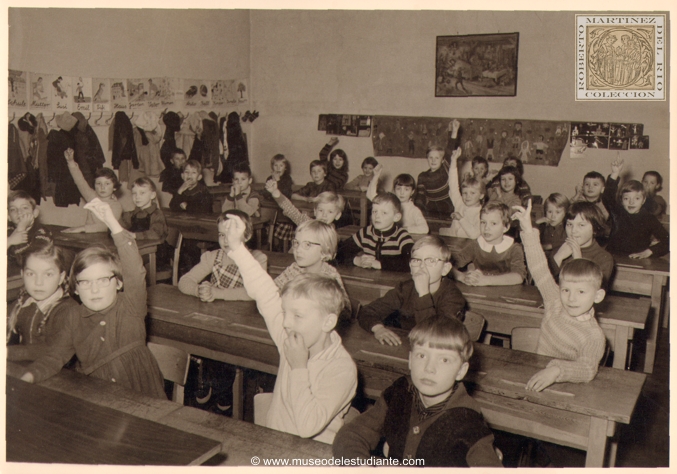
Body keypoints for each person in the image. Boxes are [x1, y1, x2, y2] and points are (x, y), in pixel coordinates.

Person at [223, 213, 358, 443]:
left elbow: (306, 428)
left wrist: (298, 367)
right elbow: (265, 292)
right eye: (285, 312)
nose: (285, 322)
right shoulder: (294, 336)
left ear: (327, 322)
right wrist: (237, 247)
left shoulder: (342, 369)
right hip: (275, 448)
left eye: (297, 315)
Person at [21, 199, 166, 399]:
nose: (94, 289)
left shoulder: (131, 306)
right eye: (85, 282)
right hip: (98, 395)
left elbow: (134, 269)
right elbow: (54, 356)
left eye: (103, 280)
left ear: (118, 283)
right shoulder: (73, 316)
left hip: (142, 396)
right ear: (76, 289)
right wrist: (28, 377)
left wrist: (112, 223)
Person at [333, 316, 502, 467]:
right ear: (410, 360)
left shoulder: (468, 421)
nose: (429, 368)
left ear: (461, 371)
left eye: (444, 360)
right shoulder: (399, 393)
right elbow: (352, 434)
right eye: (421, 356)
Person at [512, 200, 607, 392]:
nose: (571, 299)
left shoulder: (594, 336)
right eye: (566, 290)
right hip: (537, 374)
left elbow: (587, 368)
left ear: (598, 296)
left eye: (581, 292)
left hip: (568, 386)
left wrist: (556, 371)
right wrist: (528, 230)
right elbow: (539, 269)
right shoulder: (555, 302)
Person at [358, 236, 466, 346]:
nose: (421, 266)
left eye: (430, 260)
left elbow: (434, 335)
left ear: (445, 269)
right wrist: (378, 329)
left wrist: (423, 293)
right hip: (407, 345)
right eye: (416, 260)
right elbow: (367, 311)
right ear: (410, 266)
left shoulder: (453, 297)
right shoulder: (405, 288)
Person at [7, 243, 76, 361]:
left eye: (48, 274)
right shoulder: (23, 302)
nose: (38, 282)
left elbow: (52, 349)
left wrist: (8, 352)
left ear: (61, 277)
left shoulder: (67, 310)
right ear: (22, 274)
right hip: (27, 366)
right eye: (31, 274)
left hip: (61, 373)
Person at [273, 220, 351, 314]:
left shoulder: (330, 277)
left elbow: (344, 311)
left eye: (307, 245)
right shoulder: (294, 270)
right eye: (297, 243)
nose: (298, 249)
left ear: (324, 251)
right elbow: (272, 291)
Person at [602, 158, 669, 259]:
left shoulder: (649, 218)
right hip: (612, 258)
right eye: (626, 198)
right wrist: (615, 173)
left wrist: (649, 251)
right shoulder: (618, 212)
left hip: (637, 260)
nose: (631, 202)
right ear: (621, 200)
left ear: (643, 200)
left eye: (637, 198)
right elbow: (607, 197)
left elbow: (668, 241)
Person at [452, 201, 526, 286]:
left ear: (506, 227)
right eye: (483, 222)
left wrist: (486, 280)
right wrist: (462, 276)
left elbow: (519, 276)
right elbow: (449, 265)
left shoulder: (514, 248)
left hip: (506, 294)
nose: (486, 228)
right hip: (479, 292)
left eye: (493, 223)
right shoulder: (475, 245)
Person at [337, 192, 414, 272]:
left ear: (396, 217)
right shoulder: (365, 233)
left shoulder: (402, 236)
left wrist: (380, 264)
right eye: (374, 212)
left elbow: (411, 261)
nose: (377, 216)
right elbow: (340, 252)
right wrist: (356, 260)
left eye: (384, 213)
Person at [548, 201, 614, 289]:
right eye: (569, 224)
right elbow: (543, 285)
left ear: (595, 229)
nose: (573, 230)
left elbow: (593, 291)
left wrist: (578, 262)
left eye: (581, 225)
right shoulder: (558, 251)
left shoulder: (603, 258)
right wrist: (557, 258)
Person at [62, 148, 123, 233]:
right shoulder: (92, 197)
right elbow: (80, 181)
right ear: (94, 185)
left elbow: (108, 226)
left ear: (114, 187)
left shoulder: (116, 206)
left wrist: (83, 228)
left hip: (108, 239)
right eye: (99, 183)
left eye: (107, 184)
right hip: (90, 236)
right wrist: (71, 162)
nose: (102, 187)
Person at [367, 166, 428, 235]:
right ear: (394, 190)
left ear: (412, 192)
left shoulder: (414, 210)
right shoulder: (388, 203)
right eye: (398, 189)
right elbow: (371, 195)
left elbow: (425, 228)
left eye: (406, 189)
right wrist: (375, 176)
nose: (402, 193)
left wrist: (403, 229)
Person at [440, 148, 485, 239]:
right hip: (452, 242)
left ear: (481, 195)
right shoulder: (460, 203)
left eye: (472, 193)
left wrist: (461, 219)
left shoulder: (482, 213)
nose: (467, 196)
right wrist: (453, 162)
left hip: (467, 248)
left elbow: (474, 235)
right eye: (465, 193)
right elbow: (453, 186)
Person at [7, 191, 53, 268]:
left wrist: (21, 229)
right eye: (13, 209)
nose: (19, 212)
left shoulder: (43, 233)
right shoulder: (7, 230)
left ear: (35, 213)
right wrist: (10, 241)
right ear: (8, 217)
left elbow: (27, 261)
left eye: (24, 208)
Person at [119, 177, 168, 241]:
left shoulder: (157, 214)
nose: (137, 197)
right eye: (134, 193)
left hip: (154, 249)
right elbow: (118, 227)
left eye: (142, 193)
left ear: (152, 195)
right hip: (138, 248)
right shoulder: (130, 214)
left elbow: (156, 233)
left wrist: (134, 235)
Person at [415, 145, 455, 217]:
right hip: (431, 206)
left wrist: (455, 133)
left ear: (443, 160)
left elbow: (451, 145)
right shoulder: (422, 176)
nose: (433, 160)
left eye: (437, 158)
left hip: (447, 204)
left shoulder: (445, 169)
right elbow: (420, 196)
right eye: (430, 157)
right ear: (427, 158)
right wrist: (417, 210)